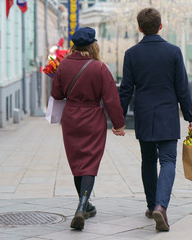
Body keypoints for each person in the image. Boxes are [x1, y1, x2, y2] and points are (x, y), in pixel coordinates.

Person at [118, 8, 192, 232]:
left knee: (148, 161)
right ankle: (161, 206)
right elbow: (182, 88)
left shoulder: (132, 54)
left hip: (144, 115)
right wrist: (191, 118)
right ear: (160, 26)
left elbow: (125, 90)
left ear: (140, 28)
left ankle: (152, 204)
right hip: (167, 115)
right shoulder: (173, 52)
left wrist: (118, 119)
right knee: (169, 161)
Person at [51, 27, 125, 230]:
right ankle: (83, 206)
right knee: (90, 161)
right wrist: (118, 123)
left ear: (73, 45)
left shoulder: (63, 65)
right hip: (93, 117)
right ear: (93, 45)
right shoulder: (99, 67)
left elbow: (56, 95)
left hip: (71, 117)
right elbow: (110, 98)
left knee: (77, 161)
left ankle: (84, 205)